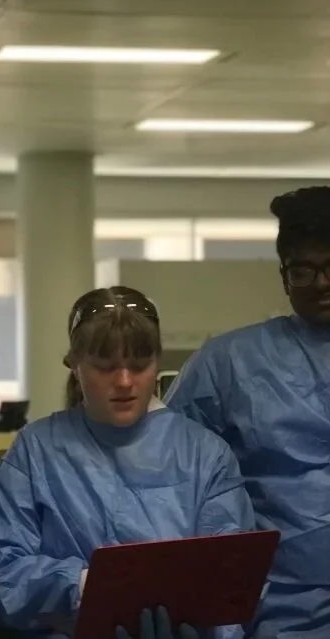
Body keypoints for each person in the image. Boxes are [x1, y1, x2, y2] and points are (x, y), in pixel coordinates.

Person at [0, 286, 255, 639]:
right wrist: (82, 586)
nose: (124, 382)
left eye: (139, 365)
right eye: (105, 367)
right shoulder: (37, 451)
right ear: (74, 365)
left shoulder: (205, 456)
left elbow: (232, 572)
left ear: (159, 361)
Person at [166, 186, 330, 638]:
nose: (320, 282)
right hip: (273, 606)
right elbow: (173, 478)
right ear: (283, 276)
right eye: (303, 270)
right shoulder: (229, 363)